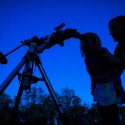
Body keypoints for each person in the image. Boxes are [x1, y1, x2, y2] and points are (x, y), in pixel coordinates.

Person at [79, 32, 125, 125]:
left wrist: (118, 88)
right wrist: (93, 89)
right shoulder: (87, 59)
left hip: (109, 86)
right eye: (86, 41)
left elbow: (113, 69)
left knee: (112, 114)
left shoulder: (102, 52)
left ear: (95, 41)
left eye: (90, 40)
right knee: (104, 115)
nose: (88, 43)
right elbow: (92, 75)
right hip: (99, 89)